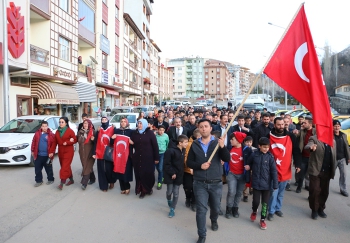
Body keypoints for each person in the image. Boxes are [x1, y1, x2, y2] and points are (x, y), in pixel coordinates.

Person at [187, 119, 230, 243]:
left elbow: (227, 158)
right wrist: (200, 166)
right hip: (199, 182)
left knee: (215, 207)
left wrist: (222, 147)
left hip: (216, 182)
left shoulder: (217, 142)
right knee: (201, 210)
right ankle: (202, 235)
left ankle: (214, 220)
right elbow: (189, 162)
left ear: (211, 128)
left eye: (206, 126)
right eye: (201, 127)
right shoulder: (195, 144)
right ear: (199, 129)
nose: (204, 128)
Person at [267, 117, 301, 221]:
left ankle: (278, 208)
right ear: (274, 124)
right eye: (279, 124)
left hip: (285, 168)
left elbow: (296, 150)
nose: (281, 126)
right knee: (273, 192)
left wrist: (298, 164)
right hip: (272, 169)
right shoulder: (268, 136)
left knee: (281, 192)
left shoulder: (290, 136)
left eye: (282, 124)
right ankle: (271, 211)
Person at [245, 137, 278, 230]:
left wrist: (275, 184)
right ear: (259, 146)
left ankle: (262, 220)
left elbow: (274, 172)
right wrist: (248, 169)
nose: (266, 149)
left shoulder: (270, 157)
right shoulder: (254, 155)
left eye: (268, 147)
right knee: (256, 201)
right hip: (256, 183)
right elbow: (249, 164)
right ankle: (254, 211)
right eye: (264, 147)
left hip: (267, 185)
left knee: (265, 203)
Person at [305, 135, 336, 219]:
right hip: (316, 170)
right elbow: (308, 146)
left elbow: (334, 156)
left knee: (324, 192)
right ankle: (314, 210)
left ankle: (320, 209)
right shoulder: (314, 138)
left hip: (327, 171)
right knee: (315, 190)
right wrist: (311, 147)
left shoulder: (332, 140)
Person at [224, 132, 252, 219]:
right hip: (231, 173)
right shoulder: (229, 148)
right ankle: (228, 209)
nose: (230, 141)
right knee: (232, 192)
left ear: (239, 140)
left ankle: (235, 209)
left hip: (242, 175)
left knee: (239, 193)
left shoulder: (247, 150)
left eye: (232, 139)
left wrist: (249, 166)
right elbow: (224, 157)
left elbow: (252, 160)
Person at [131, 119, 160, 198]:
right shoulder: (135, 133)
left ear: (144, 124)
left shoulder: (150, 133)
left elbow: (155, 146)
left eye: (141, 123)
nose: (139, 125)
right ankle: (142, 190)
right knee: (139, 174)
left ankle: (148, 188)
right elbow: (133, 145)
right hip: (137, 158)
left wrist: (156, 158)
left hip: (148, 158)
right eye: (138, 123)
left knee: (148, 174)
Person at [164, 135, 189, 218]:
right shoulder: (170, 151)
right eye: (185, 142)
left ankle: (172, 209)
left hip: (179, 175)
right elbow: (167, 164)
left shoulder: (183, 150)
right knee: (169, 192)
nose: (187, 144)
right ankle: (168, 199)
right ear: (180, 143)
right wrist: (172, 173)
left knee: (176, 193)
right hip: (170, 175)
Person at [51, 117, 77, 190]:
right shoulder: (57, 131)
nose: (61, 123)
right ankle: (71, 179)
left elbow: (75, 140)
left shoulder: (70, 131)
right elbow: (54, 142)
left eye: (62, 122)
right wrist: (51, 151)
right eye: (60, 122)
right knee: (65, 166)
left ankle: (62, 182)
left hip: (68, 151)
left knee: (64, 167)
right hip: (60, 151)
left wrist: (68, 142)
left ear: (66, 123)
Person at [111, 117, 134, 194]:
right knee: (119, 171)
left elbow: (135, 143)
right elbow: (111, 142)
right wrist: (112, 138)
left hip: (127, 155)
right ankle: (122, 188)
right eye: (122, 121)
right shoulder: (117, 131)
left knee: (126, 171)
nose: (123, 123)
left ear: (127, 123)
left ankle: (127, 186)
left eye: (124, 121)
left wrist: (132, 142)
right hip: (118, 155)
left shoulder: (131, 132)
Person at [92, 116, 116, 192]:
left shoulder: (112, 129)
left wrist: (115, 129)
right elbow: (95, 142)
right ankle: (103, 186)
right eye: (103, 119)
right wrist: (94, 152)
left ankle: (111, 181)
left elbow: (115, 139)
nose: (104, 121)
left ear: (108, 120)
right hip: (100, 152)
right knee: (101, 169)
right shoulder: (99, 130)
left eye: (105, 119)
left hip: (109, 152)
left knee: (109, 169)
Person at [31, 121, 55, 187]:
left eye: (45, 126)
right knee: (37, 169)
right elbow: (34, 142)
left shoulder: (51, 135)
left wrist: (52, 153)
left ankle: (50, 179)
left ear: (47, 127)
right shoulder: (37, 134)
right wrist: (32, 150)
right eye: (43, 126)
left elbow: (53, 145)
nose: (44, 128)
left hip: (47, 155)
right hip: (38, 155)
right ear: (41, 127)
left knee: (48, 168)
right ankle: (39, 181)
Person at [296, 116, 315, 193]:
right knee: (301, 173)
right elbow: (296, 137)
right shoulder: (302, 131)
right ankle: (299, 186)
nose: (303, 124)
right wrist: (296, 132)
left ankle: (309, 188)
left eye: (305, 123)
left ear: (310, 124)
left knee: (311, 175)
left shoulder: (316, 132)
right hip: (303, 156)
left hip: (313, 157)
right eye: (303, 122)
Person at [184, 128, 201, 212]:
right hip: (188, 169)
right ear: (197, 136)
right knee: (187, 186)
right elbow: (186, 156)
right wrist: (189, 167)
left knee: (196, 187)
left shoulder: (203, 143)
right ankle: (188, 197)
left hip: (198, 169)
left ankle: (194, 202)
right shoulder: (189, 144)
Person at [77, 119, 96, 190]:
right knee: (87, 166)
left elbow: (96, 143)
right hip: (82, 153)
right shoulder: (80, 132)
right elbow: (77, 141)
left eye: (87, 123)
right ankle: (92, 178)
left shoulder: (93, 132)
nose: (85, 125)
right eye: (84, 123)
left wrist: (93, 139)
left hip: (91, 154)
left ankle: (84, 183)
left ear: (90, 125)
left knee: (86, 167)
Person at [333, 120, 350, 197]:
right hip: (333, 159)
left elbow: (346, 147)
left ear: (340, 127)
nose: (337, 127)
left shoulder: (343, 135)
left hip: (342, 158)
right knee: (328, 174)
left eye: (338, 126)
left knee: (343, 174)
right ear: (333, 127)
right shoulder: (330, 136)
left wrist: (348, 157)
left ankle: (343, 189)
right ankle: (323, 189)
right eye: (335, 126)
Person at [242, 136, 257, 202]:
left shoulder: (255, 150)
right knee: (246, 182)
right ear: (244, 142)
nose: (248, 144)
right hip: (246, 168)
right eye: (247, 142)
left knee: (252, 180)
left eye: (250, 142)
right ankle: (245, 195)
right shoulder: (243, 149)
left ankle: (251, 189)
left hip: (253, 168)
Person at [156, 125, 169, 190]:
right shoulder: (155, 136)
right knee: (157, 167)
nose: (161, 132)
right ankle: (162, 175)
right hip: (155, 154)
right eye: (160, 130)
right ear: (157, 130)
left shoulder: (166, 136)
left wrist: (166, 151)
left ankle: (159, 181)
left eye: (163, 130)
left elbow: (167, 144)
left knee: (160, 168)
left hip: (163, 153)